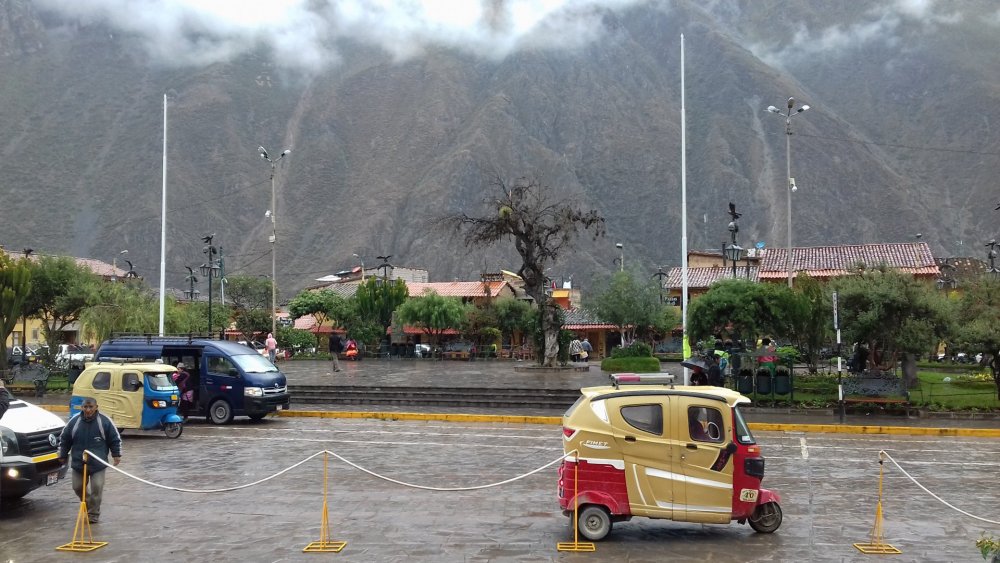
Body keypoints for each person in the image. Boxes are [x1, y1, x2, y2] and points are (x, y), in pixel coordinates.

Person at [58, 397, 122, 524]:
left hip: (98, 463)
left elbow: (114, 439)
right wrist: (62, 454)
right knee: (77, 487)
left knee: (97, 487)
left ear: (96, 407)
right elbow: (65, 439)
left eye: (90, 407)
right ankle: (88, 504)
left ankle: (93, 514)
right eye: (85, 407)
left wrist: (116, 454)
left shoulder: (104, 421)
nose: (88, 410)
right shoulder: (74, 421)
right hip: (78, 462)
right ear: (81, 407)